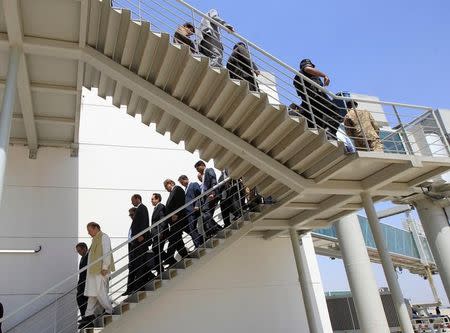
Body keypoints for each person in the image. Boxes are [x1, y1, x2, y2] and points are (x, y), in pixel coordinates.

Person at [293, 59, 341, 138]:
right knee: (335, 111)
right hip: (316, 97)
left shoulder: (305, 76)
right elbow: (307, 69)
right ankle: (329, 132)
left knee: (316, 122)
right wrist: (324, 75)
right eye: (311, 66)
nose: (312, 68)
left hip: (310, 102)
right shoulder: (303, 72)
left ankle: (325, 135)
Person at [80, 222, 115, 328]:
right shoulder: (95, 239)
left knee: (99, 292)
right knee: (92, 294)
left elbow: (106, 253)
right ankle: (88, 315)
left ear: (96, 228)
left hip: (100, 271)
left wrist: (105, 267)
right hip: (93, 272)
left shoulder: (104, 237)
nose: (88, 233)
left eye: (90, 230)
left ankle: (109, 309)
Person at [124, 194, 151, 295]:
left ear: (137, 199)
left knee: (139, 264)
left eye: (133, 200)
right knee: (135, 265)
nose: (132, 202)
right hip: (135, 244)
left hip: (140, 241)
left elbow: (145, 222)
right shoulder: (139, 209)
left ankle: (138, 286)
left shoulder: (142, 208)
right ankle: (132, 288)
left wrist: (142, 235)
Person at [163, 179, 189, 266]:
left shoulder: (177, 189)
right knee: (177, 240)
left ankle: (169, 258)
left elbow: (180, 202)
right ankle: (185, 255)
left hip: (178, 219)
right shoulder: (172, 192)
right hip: (173, 221)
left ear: (170, 183)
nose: (166, 189)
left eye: (166, 186)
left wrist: (176, 214)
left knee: (173, 238)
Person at [195, 160, 222, 237]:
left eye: (198, 168)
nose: (197, 170)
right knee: (206, 214)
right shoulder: (203, 175)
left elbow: (213, 180)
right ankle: (215, 228)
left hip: (211, 195)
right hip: (207, 196)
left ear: (202, 165)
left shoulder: (209, 170)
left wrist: (213, 193)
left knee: (205, 211)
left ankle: (216, 228)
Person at [178, 175, 204, 247]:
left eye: (182, 182)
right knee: (190, 228)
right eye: (181, 183)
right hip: (188, 213)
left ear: (186, 179)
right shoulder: (185, 189)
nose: (182, 184)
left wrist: (197, 205)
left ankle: (198, 244)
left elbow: (198, 195)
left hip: (193, 209)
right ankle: (199, 239)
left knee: (192, 228)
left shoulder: (193, 184)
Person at [150, 193, 167, 275]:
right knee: (156, 250)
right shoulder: (156, 208)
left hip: (160, 233)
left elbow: (162, 220)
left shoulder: (161, 207)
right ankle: (160, 270)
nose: (151, 201)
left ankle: (168, 260)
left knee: (157, 250)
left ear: (158, 199)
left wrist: (161, 232)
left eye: (152, 199)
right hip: (156, 234)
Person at [75, 242, 89, 320]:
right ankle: (84, 316)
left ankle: (87, 317)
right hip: (81, 283)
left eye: (80, 250)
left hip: (87, 282)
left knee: (83, 299)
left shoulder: (89, 256)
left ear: (84, 248)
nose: (79, 253)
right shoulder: (82, 257)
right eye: (78, 251)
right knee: (79, 298)